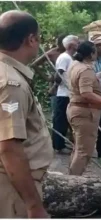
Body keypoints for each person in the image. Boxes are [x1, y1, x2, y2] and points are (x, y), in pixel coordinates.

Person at [0, 10, 54, 218]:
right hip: (11, 187)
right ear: (31, 39)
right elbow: (10, 149)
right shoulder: (11, 84)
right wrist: (34, 205)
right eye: (38, 38)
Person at [66, 41, 101, 176]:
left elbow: (84, 81)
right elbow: (86, 93)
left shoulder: (76, 64)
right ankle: (74, 182)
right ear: (91, 54)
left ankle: (72, 177)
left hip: (76, 109)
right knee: (84, 152)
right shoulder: (86, 69)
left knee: (78, 148)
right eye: (95, 50)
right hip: (85, 112)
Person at [52, 35, 79, 154]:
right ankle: (58, 146)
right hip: (63, 93)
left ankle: (62, 143)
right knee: (60, 120)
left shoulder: (70, 58)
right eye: (76, 43)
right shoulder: (64, 58)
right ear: (70, 45)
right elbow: (59, 74)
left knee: (66, 120)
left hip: (69, 93)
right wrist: (59, 85)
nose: (78, 45)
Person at [30, 34, 66, 115]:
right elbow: (34, 64)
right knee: (57, 112)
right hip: (55, 86)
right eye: (59, 44)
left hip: (68, 85)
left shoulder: (72, 53)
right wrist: (47, 78)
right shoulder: (52, 53)